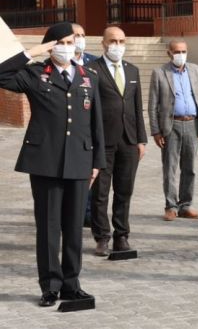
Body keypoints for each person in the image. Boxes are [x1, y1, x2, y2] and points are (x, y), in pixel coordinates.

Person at [0, 22, 105, 307]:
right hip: (45, 162)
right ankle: (50, 286)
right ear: (52, 44)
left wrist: (97, 161)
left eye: (74, 41)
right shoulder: (36, 74)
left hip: (80, 161)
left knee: (73, 228)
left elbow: (96, 123)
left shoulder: (88, 76)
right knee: (48, 227)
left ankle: (72, 284)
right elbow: (1, 74)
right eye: (66, 41)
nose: (71, 46)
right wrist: (32, 51)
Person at [86, 26, 147, 256]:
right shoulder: (92, 70)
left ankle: (122, 236)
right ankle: (102, 236)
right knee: (100, 191)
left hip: (129, 140)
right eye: (113, 41)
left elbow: (137, 108)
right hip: (102, 141)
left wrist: (141, 139)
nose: (117, 45)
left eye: (121, 41)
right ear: (103, 43)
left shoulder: (132, 70)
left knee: (125, 190)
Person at [148, 39, 198, 221]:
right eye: (176, 51)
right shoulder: (159, 73)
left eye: (183, 51)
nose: (180, 55)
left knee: (190, 167)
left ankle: (186, 204)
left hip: (192, 123)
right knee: (170, 168)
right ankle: (170, 206)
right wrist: (156, 131)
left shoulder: (196, 70)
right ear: (169, 53)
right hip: (171, 125)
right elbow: (153, 105)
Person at [72, 22, 99, 227]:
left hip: (91, 127)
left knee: (91, 172)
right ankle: (73, 213)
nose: (80, 38)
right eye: (75, 35)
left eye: (82, 34)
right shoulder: (58, 63)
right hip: (71, 127)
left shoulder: (94, 63)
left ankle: (88, 212)